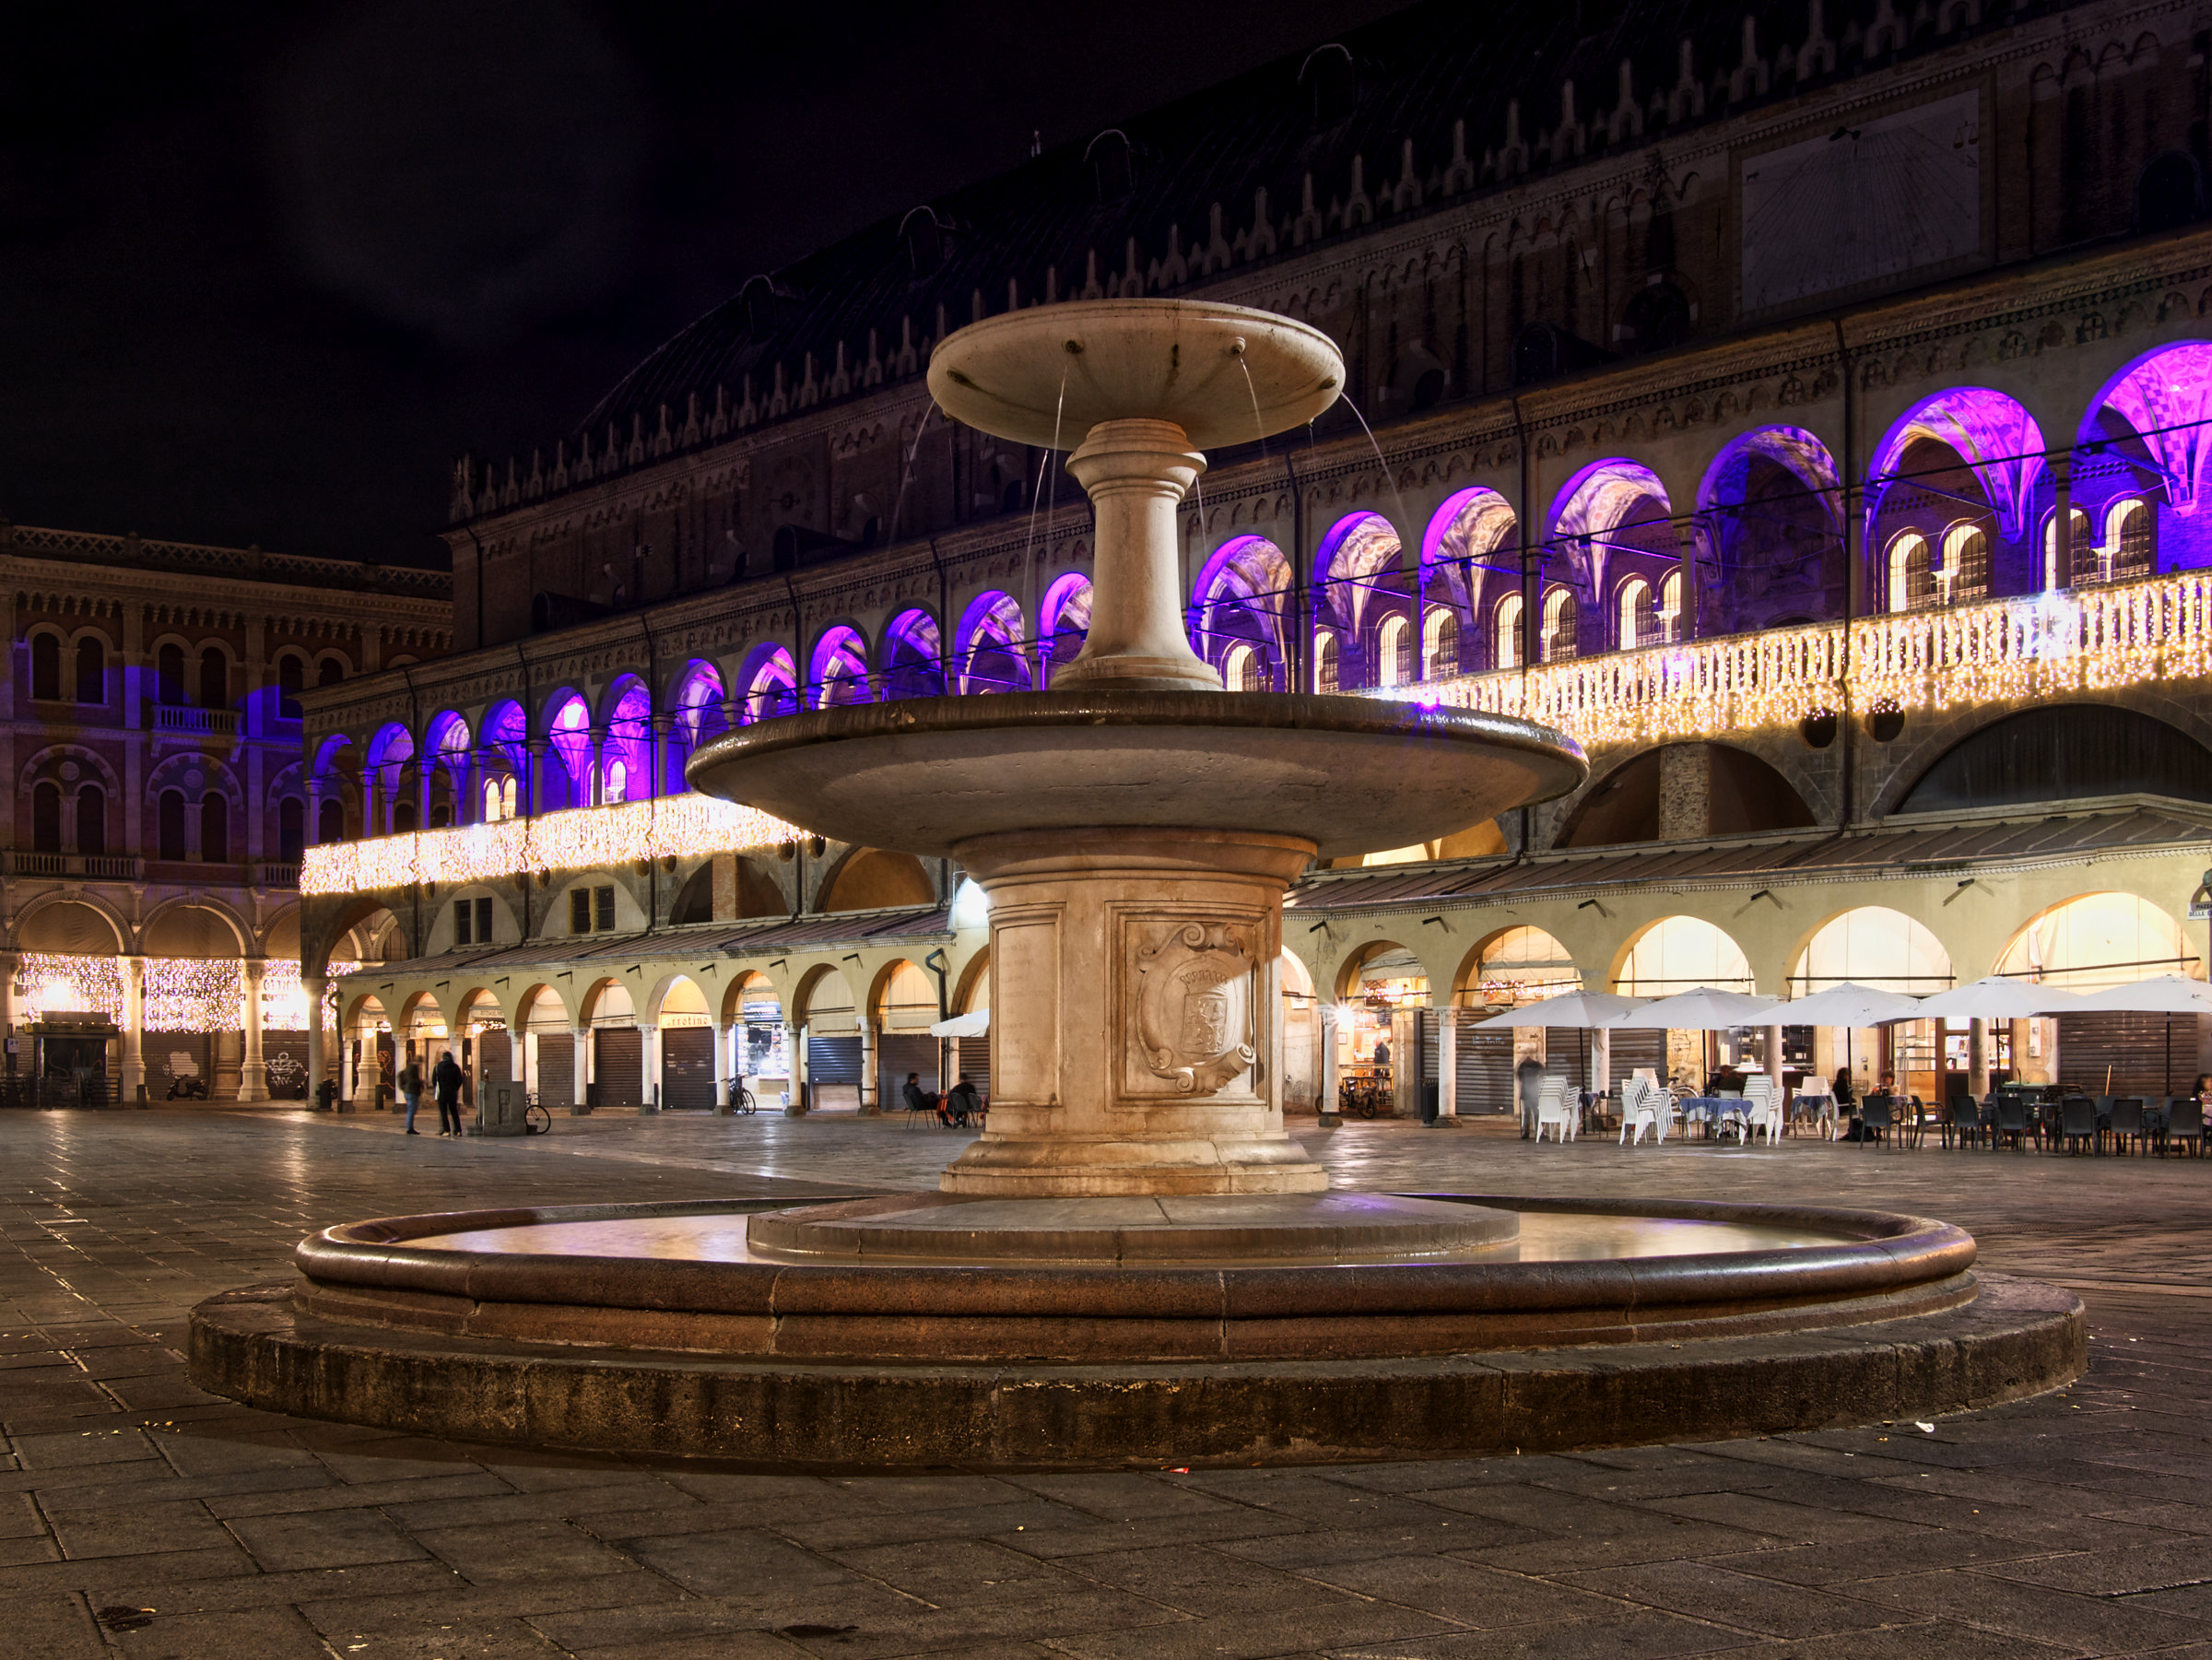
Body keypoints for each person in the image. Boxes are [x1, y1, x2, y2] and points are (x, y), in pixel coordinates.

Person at [431, 1050, 465, 1137]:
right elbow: (460, 1080)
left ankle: (446, 1130)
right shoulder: (455, 1067)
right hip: (452, 1093)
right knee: (454, 1112)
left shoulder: (438, 1067)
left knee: (443, 1113)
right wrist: (455, 1088)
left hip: (442, 1093)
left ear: (443, 1058)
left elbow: (434, 1081)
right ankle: (458, 1130)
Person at [1515, 1054, 1545, 1139]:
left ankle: (1537, 1131)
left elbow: (1542, 1074)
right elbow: (1519, 1076)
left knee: (1535, 1113)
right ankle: (1528, 1131)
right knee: (1528, 1113)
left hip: (1532, 1092)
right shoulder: (1523, 1066)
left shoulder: (1536, 1065)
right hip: (1527, 1093)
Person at [398, 1055, 426, 1135]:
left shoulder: (408, 1068)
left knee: (411, 1110)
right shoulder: (413, 1068)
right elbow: (413, 1080)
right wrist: (421, 1082)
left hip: (408, 1091)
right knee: (411, 1110)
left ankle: (410, 1127)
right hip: (412, 1092)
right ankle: (410, 1128)